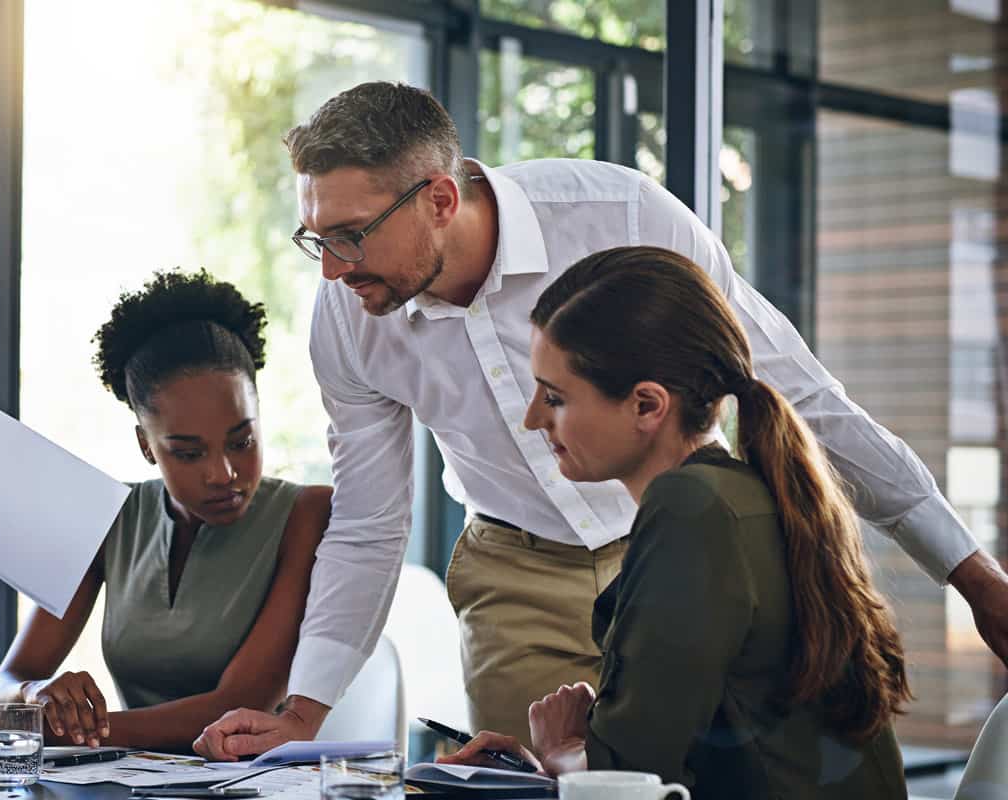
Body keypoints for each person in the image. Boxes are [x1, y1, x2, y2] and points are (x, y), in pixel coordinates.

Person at [193, 80, 1008, 759]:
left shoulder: (618, 217)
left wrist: (972, 575)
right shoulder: (347, 318)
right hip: (518, 576)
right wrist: (305, 713)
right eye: (315, 239)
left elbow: (799, 391)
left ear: (439, 198)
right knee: (533, 781)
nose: (332, 269)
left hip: (686, 551)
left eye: (350, 235)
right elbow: (371, 520)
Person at [436, 246, 909, 798]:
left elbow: (638, 780)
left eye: (556, 397)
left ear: (646, 406)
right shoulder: (739, 493)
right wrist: (566, 754)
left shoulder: (691, 510)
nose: (533, 417)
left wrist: (563, 753)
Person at [0, 270, 329, 753]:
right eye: (189, 453)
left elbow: (237, 705)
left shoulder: (306, 513)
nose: (224, 473)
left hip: (265, 784)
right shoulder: (107, 516)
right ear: (146, 446)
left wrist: (41, 727)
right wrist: (33, 695)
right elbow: (8, 681)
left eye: (242, 441)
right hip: (132, 783)